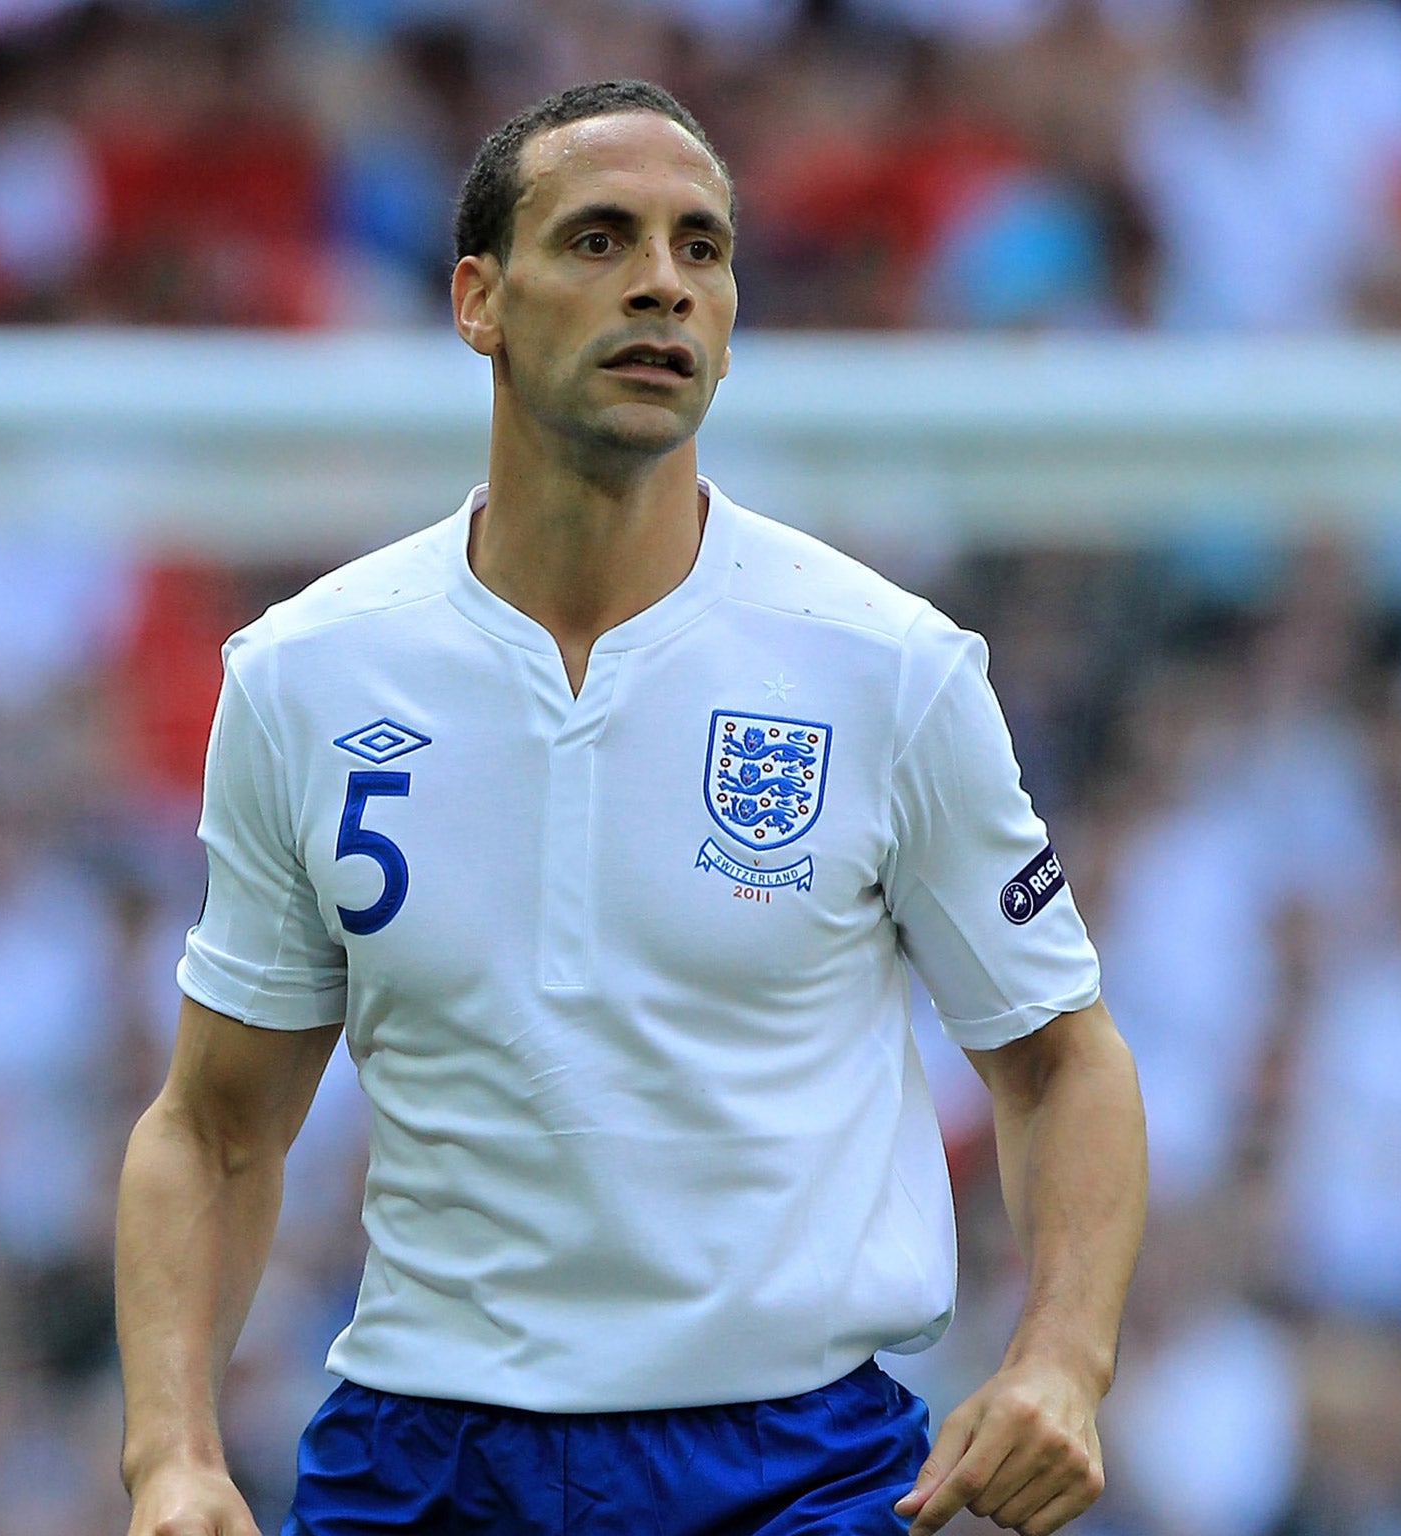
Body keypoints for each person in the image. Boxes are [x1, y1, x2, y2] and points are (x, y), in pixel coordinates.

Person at [115, 79, 1147, 1536]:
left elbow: (1063, 1062)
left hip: (798, 1470)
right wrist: (171, 1453)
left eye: (701, 248)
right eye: (600, 240)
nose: (663, 281)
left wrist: (1063, 1356)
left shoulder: (887, 667)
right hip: (428, 1465)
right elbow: (213, 1129)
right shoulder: (307, 676)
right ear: (478, 300)